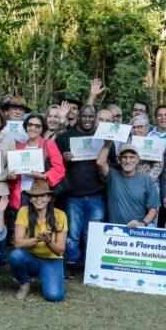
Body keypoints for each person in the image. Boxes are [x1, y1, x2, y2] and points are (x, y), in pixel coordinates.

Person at [56, 105, 107, 278]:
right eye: (84, 116)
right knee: (73, 234)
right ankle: (71, 264)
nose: (87, 119)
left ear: (95, 118)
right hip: (73, 195)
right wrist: (63, 157)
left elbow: (111, 163)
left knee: (93, 234)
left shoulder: (102, 138)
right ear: (78, 117)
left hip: (96, 193)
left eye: (91, 116)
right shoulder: (65, 137)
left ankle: (91, 265)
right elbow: (54, 162)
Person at [9, 181, 67, 302]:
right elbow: (18, 243)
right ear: (30, 199)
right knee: (16, 255)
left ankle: (43, 276)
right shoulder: (24, 211)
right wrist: (37, 239)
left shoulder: (60, 215)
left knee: (54, 296)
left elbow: (60, 251)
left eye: (43, 195)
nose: (38, 199)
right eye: (35, 196)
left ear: (49, 198)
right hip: (31, 258)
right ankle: (24, 282)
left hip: (51, 259)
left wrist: (48, 240)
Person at [8, 113, 65, 212]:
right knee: (22, 221)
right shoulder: (19, 147)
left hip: (41, 195)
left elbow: (59, 169)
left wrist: (43, 176)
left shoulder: (49, 144)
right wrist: (12, 177)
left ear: (42, 129)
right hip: (22, 194)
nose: (33, 128)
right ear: (26, 127)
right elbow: (15, 173)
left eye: (37, 126)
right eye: (30, 124)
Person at [97, 142, 159, 226]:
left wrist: (142, 223)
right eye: (125, 157)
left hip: (138, 229)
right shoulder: (112, 176)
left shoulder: (147, 180)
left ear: (137, 159)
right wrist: (109, 142)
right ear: (119, 159)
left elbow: (153, 209)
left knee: (151, 226)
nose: (128, 161)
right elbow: (100, 163)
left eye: (132, 157)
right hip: (115, 230)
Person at [130, 115, 163, 185]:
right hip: (127, 180)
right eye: (133, 127)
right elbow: (119, 161)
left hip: (148, 182)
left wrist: (145, 181)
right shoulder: (126, 143)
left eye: (139, 127)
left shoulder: (155, 143)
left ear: (147, 129)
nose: (135, 130)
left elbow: (158, 166)